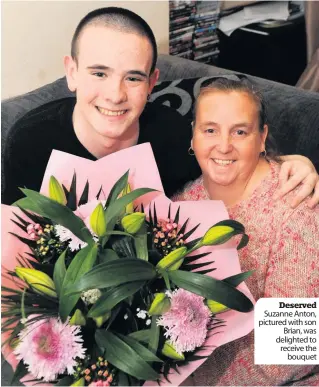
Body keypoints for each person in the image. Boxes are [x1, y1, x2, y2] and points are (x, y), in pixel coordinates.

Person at [2, 7, 319, 208]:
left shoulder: (174, 134)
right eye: (99, 73)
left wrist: (293, 161)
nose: (115, 95)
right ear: (72, 73)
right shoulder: (31, 140)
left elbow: (229, 161)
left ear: (152, 83)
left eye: (133, 78)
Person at [172, 77, 319, 386]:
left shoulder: (297, 206)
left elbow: (290, 352)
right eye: (210, 130)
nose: (223, 145)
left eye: (240, 131)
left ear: (262, 138)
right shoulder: (182, 204)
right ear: (194, 135)